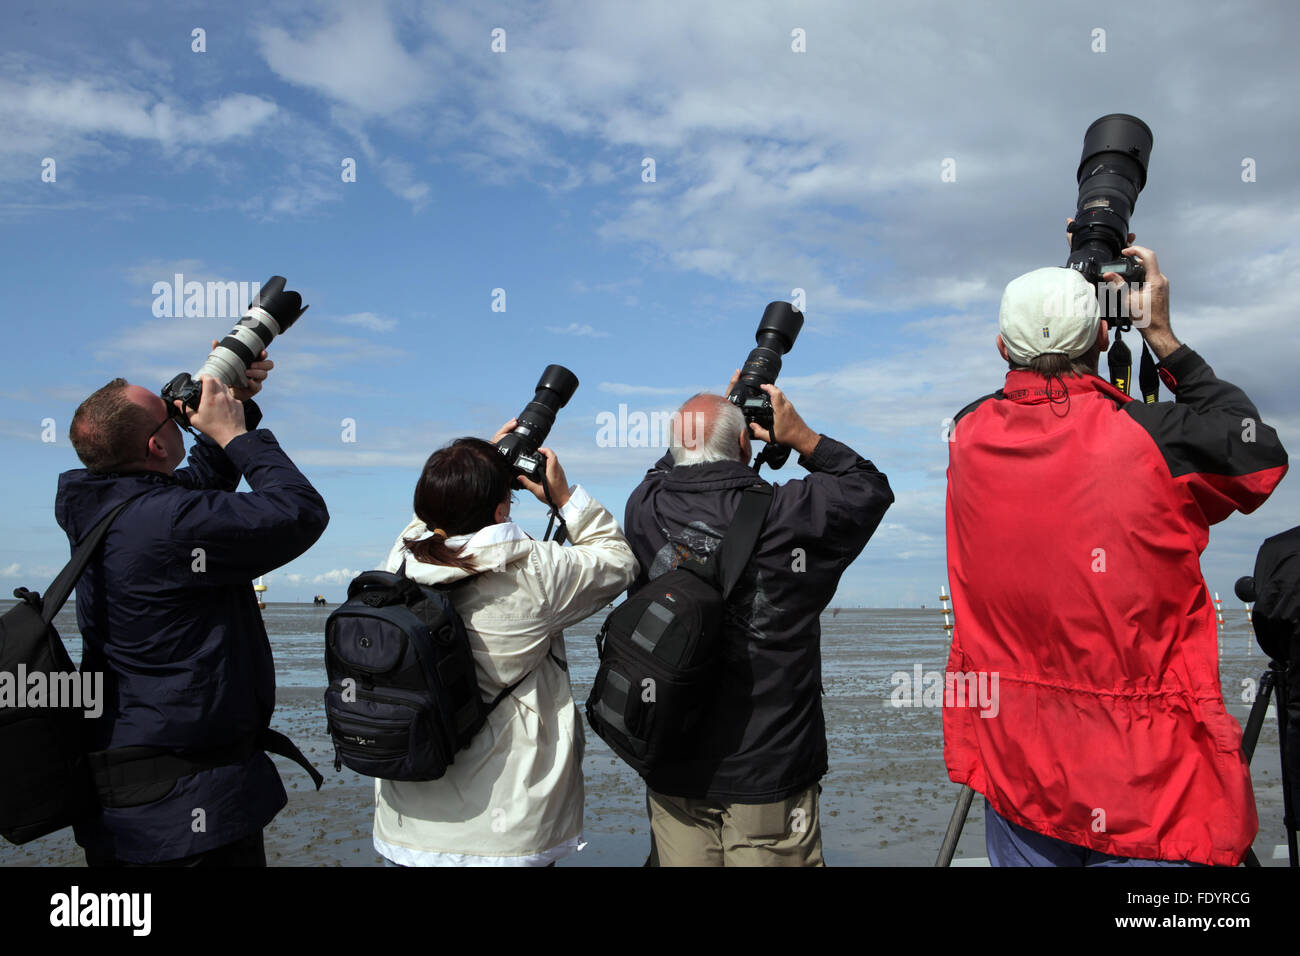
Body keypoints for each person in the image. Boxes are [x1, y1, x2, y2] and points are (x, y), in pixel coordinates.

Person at [942, 240, 1288, 866]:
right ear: (1104, 337)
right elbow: (1259, 455)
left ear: (1000, 348)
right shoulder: (1153, 436)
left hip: (1019, 763)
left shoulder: (967, 435)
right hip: (1150, 784)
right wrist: (1162, 336)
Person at [57, 352, 328, 866]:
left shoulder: (105, 507)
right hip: (184, 815)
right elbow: (299, 512)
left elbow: (198, 485)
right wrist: (236, 437)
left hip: (131, 798)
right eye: (165, 411)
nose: (172, 408)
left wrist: (237, 406)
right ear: (158, 445)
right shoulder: (167, 521)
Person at [622, 379, 894, 866]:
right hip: (768, 768)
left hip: (672, 759)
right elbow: (868, 488)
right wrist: (800, 437)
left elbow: (667, 465)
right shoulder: (789, 513)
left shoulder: (645, 507)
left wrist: (712, 421)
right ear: (746, 445)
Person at [373, 424, 637, 866]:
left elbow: (434, 522)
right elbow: (618, 560)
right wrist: (566, 498)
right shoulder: (536, 572)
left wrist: (471, 469)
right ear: (501, 510)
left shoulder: (400, 560)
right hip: (508, 835)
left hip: (408, 825)